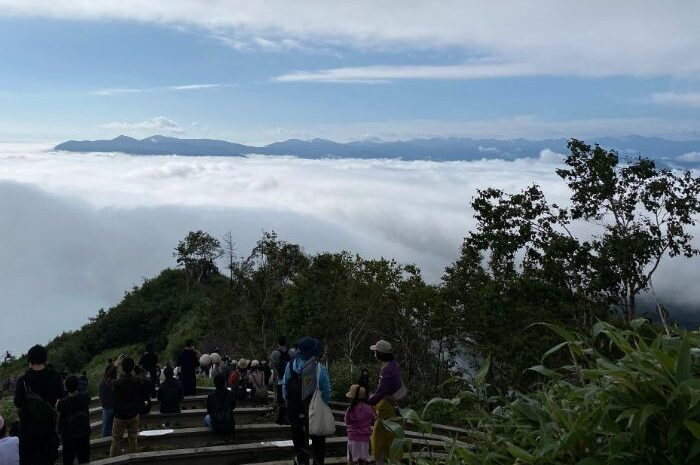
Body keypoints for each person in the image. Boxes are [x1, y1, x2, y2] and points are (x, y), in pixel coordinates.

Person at [13, 344, 65, 465]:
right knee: (48, 459)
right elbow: (61, 398)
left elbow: (17, 402)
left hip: (28, 430)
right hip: (48, 428)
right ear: (45, 359)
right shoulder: (55, 376)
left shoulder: (23, 380)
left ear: (30, 360)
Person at [283, 337, 331, 465]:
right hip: (315, 412)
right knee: (318, 446)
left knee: (298, 445)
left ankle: (300, 462)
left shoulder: (290, 366)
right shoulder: (320, 369)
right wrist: (323, 406)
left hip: (296, 411)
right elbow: (326, 392)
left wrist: (290, 405)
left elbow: (285, 388)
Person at [367, 340, 403, 465]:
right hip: (395, 405)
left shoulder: (386, 370)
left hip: (386, 408)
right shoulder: (394, 365)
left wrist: (368, 401)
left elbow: (382, 391)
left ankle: (380, 461)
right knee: (391, 437)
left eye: (375, 352)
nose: (374, 353)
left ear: (380, 354)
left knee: (377, 439)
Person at [109, 356, 144, 457]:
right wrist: (134, 366)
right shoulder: (137, 381)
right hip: (133, 414)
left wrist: (115, 365)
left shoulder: (117, 383)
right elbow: (142, 375)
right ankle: (133, 459)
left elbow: (107, 379)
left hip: (120, 416)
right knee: (133, 439)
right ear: (132, 368)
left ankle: (113, 460)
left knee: (116, 440)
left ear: (122, 368)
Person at [57, 375, 91, 464]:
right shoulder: (85, 397)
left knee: (68, 459)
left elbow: (58, 412)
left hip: (69, 436)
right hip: (84, 432)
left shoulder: (62, 403)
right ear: (77, 385)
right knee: (84, 459)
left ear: (66, 387)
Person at [344, 385, 376, 465]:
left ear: (352, 398)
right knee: (364, 460)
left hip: (352, 438)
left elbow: (347, 422)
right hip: (365, 439)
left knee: (352, 460)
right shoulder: (369, 408)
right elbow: (373, 419)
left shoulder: (350, 409)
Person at [204, 372, 236, 437]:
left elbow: (209, 411)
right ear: (224, 382)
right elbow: (233, 406)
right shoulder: (231, 394)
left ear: (215, 383)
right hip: (230, 425)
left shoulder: (211, 396)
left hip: (217, 426)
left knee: (206, 418)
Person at [270, 336, 291, 424]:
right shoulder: (291, 352)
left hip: (280, 379)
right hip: (290, 379)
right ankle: (287, 416)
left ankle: (281, 417)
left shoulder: (275, 353)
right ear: (286, 342)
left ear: (278, 343)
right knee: (288, 398)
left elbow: (271, 366)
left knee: (280, 399)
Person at [99, 365, 117, 437]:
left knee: (106, 428)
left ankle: (106, 443)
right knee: (112, 429)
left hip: (107, 407)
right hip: (113, 407)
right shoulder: (113, 382)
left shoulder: (102, 382)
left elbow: (101, 395)